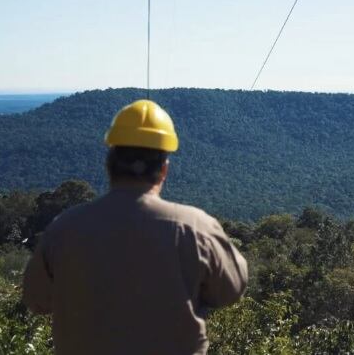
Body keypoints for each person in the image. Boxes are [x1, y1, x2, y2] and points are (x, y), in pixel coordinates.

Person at [23, 99, 248, 355]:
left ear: (109, 165)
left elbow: (36, 299)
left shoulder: (63, 229)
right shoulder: (197, 228)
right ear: (164, 170)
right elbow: (231, 290)